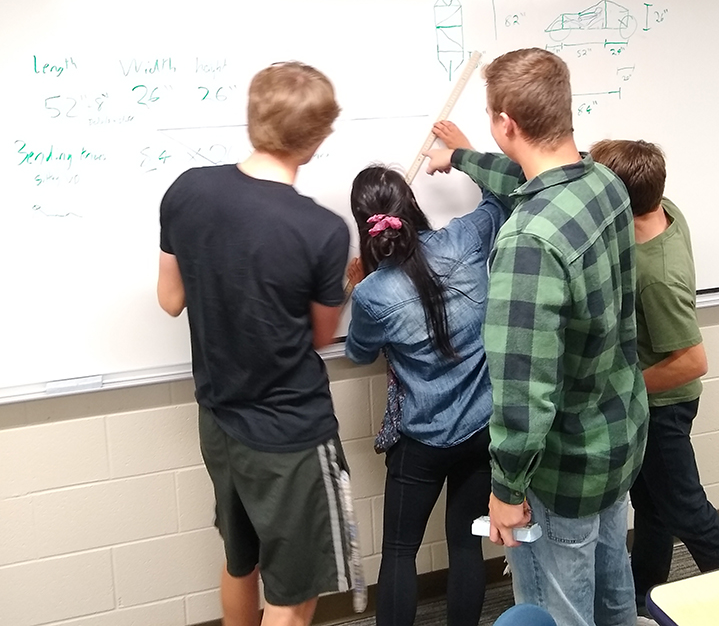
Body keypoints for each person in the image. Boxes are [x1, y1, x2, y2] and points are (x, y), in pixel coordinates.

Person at [425, 47, 649, 626]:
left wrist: (506, 488)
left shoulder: (528, 243)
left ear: (507, 124)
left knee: (557, 612)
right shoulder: (605, 183)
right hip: (615, 439)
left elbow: (525, 391)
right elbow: (529, 179)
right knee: (612, 592)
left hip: (563, 463)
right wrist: (462, 157)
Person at [157, 61, 364, 626]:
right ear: (317, 139)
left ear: (253, 118)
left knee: (240, 561)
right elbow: (322, 337)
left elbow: (170, 299)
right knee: (294, 594)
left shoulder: (187, 190)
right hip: (289, 433)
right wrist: (346, 281)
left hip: (220, 420)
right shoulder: (321, 230)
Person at [344, 164, 510, 626]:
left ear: (365, 225)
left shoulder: (373, 294)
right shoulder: (463, 240)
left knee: (399, 552)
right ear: (411, 205)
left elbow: (359, 354)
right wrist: (463, 153)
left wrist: (359, 285)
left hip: (422, 441)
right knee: (464, 543)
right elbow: (506, 196)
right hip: (481, 428)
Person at [588, 139, 719, 617]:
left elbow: (693, 360)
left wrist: (625, 389)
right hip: (653, 403)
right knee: (652, 506)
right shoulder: (662, 207)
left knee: (685, 509)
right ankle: (644, 597)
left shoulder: (657, 275)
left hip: (663, 407)